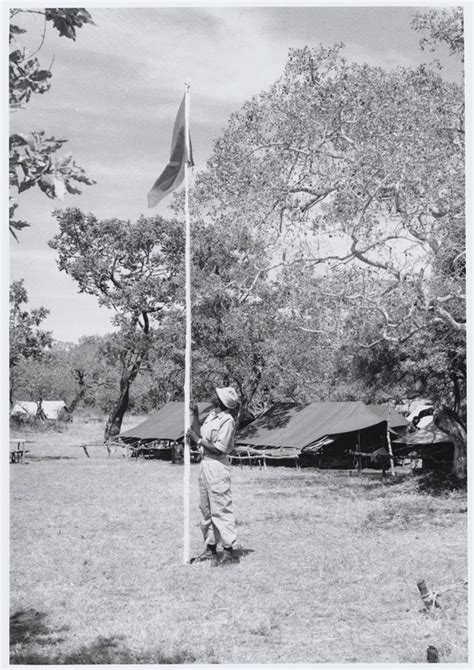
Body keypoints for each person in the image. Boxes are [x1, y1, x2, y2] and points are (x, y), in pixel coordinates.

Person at [186, 387, 240, 566]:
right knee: (206, 510)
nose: (213, 395)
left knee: (221, 509)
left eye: (217, 395)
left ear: (222, 401)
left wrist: (198, 441)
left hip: (217, 466)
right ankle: (210, 548)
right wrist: (194, 414)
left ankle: (228, 551)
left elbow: (219, 448)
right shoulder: (211, 416)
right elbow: (197, 432)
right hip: (205, 464)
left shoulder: (227, 420)